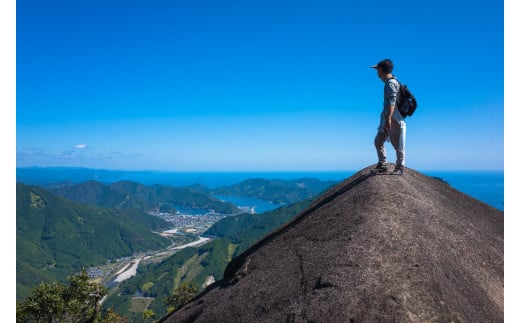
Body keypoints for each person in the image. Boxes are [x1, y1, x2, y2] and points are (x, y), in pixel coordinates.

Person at [370, 58, 406, 175]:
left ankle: (400, 168)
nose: (376, 72)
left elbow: (392, 101)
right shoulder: (389, 83)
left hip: (393, 119)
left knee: (397, 145)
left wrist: (389, 118)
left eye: (377, 69)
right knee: (378, 141)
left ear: (381, 70)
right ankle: (382, 164)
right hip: (387, 118)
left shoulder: (391, 83)